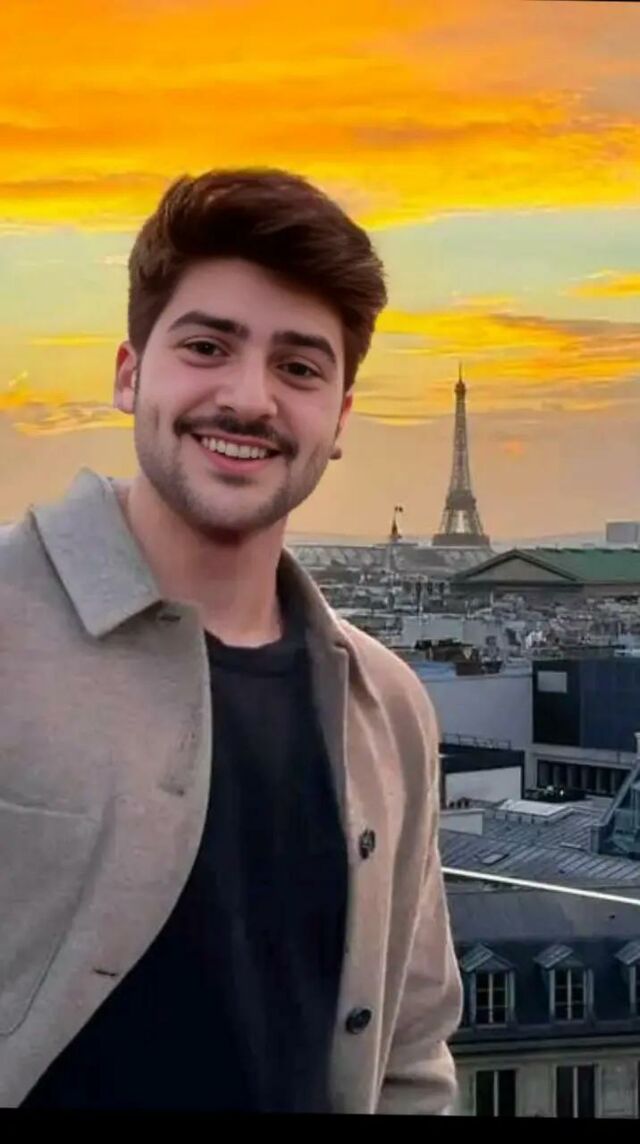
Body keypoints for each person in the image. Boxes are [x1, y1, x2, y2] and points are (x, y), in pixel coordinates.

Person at [0, 168, 462, 1113]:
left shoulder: (390, 708)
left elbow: (412, 1047)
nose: (250, 399)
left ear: (339, 419)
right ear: (129, 374)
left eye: (299, 368)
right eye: (208, 346)